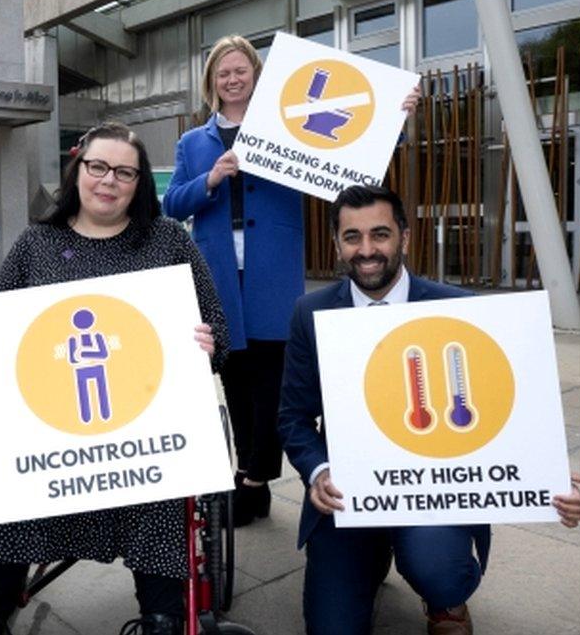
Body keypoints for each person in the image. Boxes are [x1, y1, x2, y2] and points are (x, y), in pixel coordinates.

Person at [277, 184, 580, 635]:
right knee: (332, 628)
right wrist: (318, 470)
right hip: (352, 491)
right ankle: (373, 558)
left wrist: (550, 478)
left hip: (433, 488)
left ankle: (445, 600)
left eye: (380, 234)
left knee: (439, 569)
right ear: (336, 244)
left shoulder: (459, 308)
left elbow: (508, 410)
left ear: (404, 236)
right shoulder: (311, 312)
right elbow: (294, 418)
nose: (366, 250)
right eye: (352, 237)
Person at [0, 122, 229, 635]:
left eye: (124, 172)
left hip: (143, 431)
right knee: (14, 489)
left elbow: (218, 327)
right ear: (78, 169)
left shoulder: (168, 241)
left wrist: (205, 345)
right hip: (51, 432)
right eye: (98, 167)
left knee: (161, 494)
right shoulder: (36, 244)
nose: (109, 181)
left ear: (140, 182)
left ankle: (162, 618)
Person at [164, 35, 421, 525]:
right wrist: (211, 180)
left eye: (241, 71)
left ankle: (256, 477)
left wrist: (396, 119)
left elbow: (350, 155)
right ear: (211, 82)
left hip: (272, 270)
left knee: (275, 383)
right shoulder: (192, 142)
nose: (233, 79)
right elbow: (172, 204)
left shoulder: (287, 127)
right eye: (224, 73)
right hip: (218, 273)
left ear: (257, 77)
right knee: (235, 382)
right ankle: (252, 478)